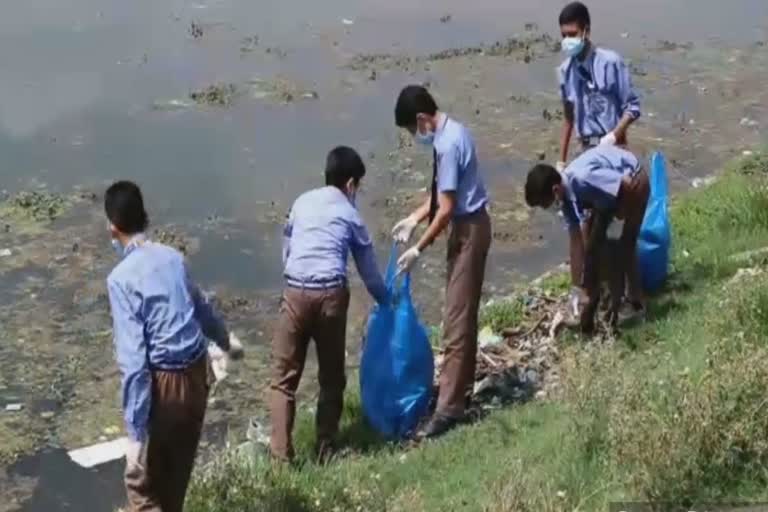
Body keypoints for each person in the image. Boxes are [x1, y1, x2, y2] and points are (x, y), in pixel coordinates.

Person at [105, 181, 243, 512]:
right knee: (174, 479)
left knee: (140, 485)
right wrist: (226, 342)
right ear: (145, 216)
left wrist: (136, 436)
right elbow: (201, 307)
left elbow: (135, 363)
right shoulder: (173, 258)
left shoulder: (121, 279)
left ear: (112, 228)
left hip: (165, 386)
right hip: (197, 376)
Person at [271, 146, 388, 462]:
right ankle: (325, 447)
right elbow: (369, 274)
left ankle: (281, 458)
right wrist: (389, 302)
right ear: (351, 184)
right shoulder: (350, 215)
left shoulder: (301, 202)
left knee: (283, 381)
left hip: (295, 292)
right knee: (331, 377)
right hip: (330, 298)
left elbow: (287, 250)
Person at [392, 85, 491, 438]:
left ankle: (449, 409)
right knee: (460, 315)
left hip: (469, 228)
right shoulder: (451, 132)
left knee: (456, 322)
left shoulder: (447, 144)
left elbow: (447, 209)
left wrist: (420, 247)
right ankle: (460, 392)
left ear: (421, 119)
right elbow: (440, 194)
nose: (413, 136)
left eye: (410, 130)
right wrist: (415, 217)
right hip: (469, 225)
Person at [524, 145, 649, 333]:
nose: (546, 208)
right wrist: (576, 289)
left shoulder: (582, 179)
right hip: (605, 197)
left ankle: (634, 303)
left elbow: (625, 182)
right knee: (593, 248)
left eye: (544, 204)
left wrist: (620, 216)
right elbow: (576, 243)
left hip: (634, 181)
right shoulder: (566, 198)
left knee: (623, 245)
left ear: (555, 190)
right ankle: (597, 299)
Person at [556, 1, 641, 171]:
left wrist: (613, 136)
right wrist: (561, 162)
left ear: (586, 31)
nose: (567, 40)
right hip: (584, 149)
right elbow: (568, 119)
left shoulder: (611, 63)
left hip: (614, 146)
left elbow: (633, 108)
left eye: (572, 34)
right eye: (564, 36)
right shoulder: (565, 72)